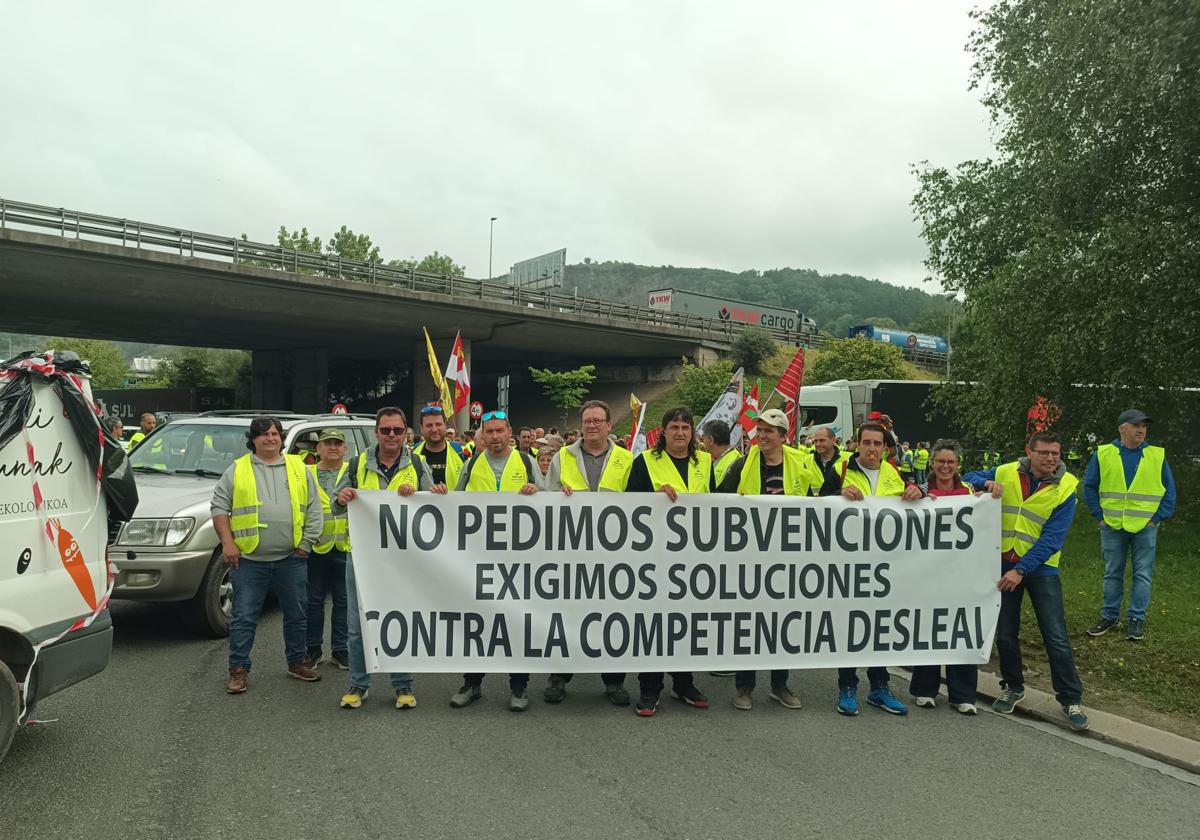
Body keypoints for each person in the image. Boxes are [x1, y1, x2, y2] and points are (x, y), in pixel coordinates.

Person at [963, 432, 1090, 731]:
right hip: (1003, 563)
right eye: (1044, 453)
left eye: (1056, 453)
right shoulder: (1007, 471)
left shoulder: (1066, 487)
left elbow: (1052, 539)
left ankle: (1071, 699)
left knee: (1055, 636)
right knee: (1006, 633)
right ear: (1029, 452)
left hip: (1040, 569)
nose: (1051, 459)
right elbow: (967, 476)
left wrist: (1021, 570)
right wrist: (985, 483)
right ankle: (1012, 687)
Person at [333, 407, 442, 710]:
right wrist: (342, 498)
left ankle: (402, 685)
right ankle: (358, 684)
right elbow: (335, 505)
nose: (391, 436)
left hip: (402, 560)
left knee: (400, 619)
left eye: (397, 430)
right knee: (358, 625)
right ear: (376, 432)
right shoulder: (356, 464)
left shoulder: (418, 464)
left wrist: (425, 493)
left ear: (406, 432)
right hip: (362, 558)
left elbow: (432, 508)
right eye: (385, 430)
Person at [716, 408, 822, 711]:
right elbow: (719, 498)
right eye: (758, 430)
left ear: (782, 436)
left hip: (788, 558)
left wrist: (847, 494)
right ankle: (744, 686)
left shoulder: (802, 463)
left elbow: (827, 494)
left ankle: (779, 685)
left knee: (781, 623)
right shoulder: (742, 464)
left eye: (768, 431)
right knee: (748, 623)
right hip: (750, 558)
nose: (761, 436)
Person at [211, 416, 323, 694]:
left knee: (297, 613)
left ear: (281, 438)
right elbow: (219, 507)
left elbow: (314, 507)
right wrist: (228, 543)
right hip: (249, 560)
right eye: (263, 434)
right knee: (244, 617)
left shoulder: (299, 467)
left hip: (291, 557)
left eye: (274, 433)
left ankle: (297, 662)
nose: (270, 438)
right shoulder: (237, 470)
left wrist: (306, 544)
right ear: (253, 439)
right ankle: (238, 670)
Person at [542, 399, 634, 706]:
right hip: (571, 552)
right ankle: (559, 676)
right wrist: (557, 496)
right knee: (567, 616)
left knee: (611, 617)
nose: (591, 425)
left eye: (597, 420)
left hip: (613, 554)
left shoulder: (626, 458)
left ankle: (613, 680)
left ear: (609, 425)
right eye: (587, 421)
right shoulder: (563, 457)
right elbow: (546, 497)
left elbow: (638, 502)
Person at [626, 405, 714, 717]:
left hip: (693, 559)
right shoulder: (645, 462)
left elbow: (716, 506)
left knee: (686, 624)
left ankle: (683, 682)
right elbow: (628, 509)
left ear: (693, 433)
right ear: (663, 431)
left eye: (685, 428)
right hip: (655, 559)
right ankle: (650, 688)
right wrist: (653, 497)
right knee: (654, 625)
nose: (679, 433)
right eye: (673, 427)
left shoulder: (705, 461)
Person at [832, 421, 924, 716]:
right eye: (866, 442)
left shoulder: (894, 473)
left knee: (879, 626)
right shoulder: (840, 470)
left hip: (885, 565)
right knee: (851, 626)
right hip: (849, 563)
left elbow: (920, 497)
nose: (872, 449)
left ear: (886, 448)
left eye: (877, 444)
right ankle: (847, 686)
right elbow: (814, 504)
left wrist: (919, 492)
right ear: (857, 444)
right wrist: (838, 493)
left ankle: (879, 687)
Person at [451, 410, 539, 711]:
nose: (495, 436)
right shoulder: (472, 464)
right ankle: (472, 683)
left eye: (500, 430)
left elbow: (549, 501)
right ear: (482, 435)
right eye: (489, 431)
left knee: (517, 621)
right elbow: (453, 504)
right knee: (479, 622)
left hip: (519, 558)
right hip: (480, 558)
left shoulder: (526, 462)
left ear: (509, 431)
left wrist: (537, 491)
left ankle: (519, 687)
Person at [1083, 409, 1176, 641]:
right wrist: (1099, 517)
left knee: (1142, 574)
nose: (1141, 430)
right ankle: (1109, 616)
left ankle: (1136, 619)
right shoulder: (1103, 454)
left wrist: (1157, 519)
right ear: (1122, 428)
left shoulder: (1156, 455)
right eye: (1136, 425)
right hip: (1112, 526)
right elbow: (1090, 486)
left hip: (1146, 527)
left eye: (1144, 426)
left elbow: (1170, 492)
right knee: (1112, 573)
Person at [908, 439, 981, 715]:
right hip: (929, 572)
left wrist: (992, 491)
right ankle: (925, 689)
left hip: (962, 572)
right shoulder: (921, 491)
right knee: (929, 627)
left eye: (951, 462)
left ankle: (962, 694)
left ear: (958, 465)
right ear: (932, 463)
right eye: (941, 461)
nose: (946, 466)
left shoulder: (971, 492)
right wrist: (910, 498)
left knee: (961, 628)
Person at [304, 429, 351, 670]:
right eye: (327, 443)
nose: (333, 447)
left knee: (343, 602)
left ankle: (340, 650)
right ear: (318, 448)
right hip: (315, 547)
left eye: (338, 443)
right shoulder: (306, 474)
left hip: (345, 546)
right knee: (313, 601)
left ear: (345, 449)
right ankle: (313, 650)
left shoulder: (352, 472)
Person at [412, 404, 467, 490]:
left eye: (438, 424)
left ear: (445, 426)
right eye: (429, 425)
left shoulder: (461, 453)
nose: (434, 429)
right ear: (421, 428)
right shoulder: (412, 456)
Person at [701, 419, 742, 487]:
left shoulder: (735, 462)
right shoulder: (719, 459)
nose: (703, 442)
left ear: (711, 440)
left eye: (703, 438)